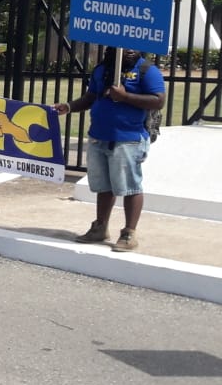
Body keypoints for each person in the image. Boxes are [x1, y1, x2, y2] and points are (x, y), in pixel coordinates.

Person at [53, 47, 165, 252]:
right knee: (103, 186)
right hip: (98, 137)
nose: (130, 50)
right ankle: (100, 227)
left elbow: (158, 100)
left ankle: (129, 233)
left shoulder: (147, 71)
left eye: (134, 46)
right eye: (124, 46)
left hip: (128, 139)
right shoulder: (102, 70)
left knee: (130, 186)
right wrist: (68, 106)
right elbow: (90, 97)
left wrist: (124, 96)